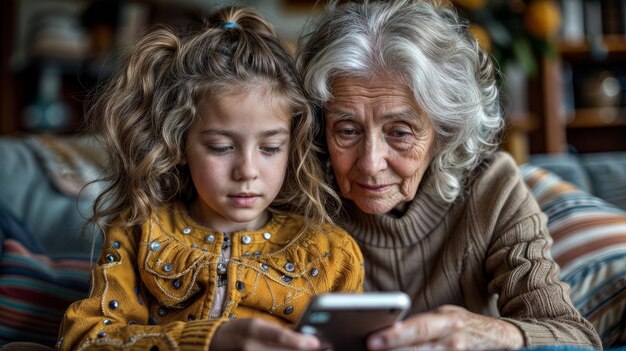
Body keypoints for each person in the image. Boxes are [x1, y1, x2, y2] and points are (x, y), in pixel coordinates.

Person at [294, 0, 602, 350]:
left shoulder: (491, 188)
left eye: (400, 132)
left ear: (444, 133)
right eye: (347, 130)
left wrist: (491, 333)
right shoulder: (299, 191)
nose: (370, 163)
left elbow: (576, 339)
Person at [56, 5, 364, 351]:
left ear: (293, 145)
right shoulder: (139, 232)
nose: (247, 170)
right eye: (220, 147)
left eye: (270, 148)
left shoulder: (330, 254)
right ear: (180, 143)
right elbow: (82, 339)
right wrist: (207, 340)